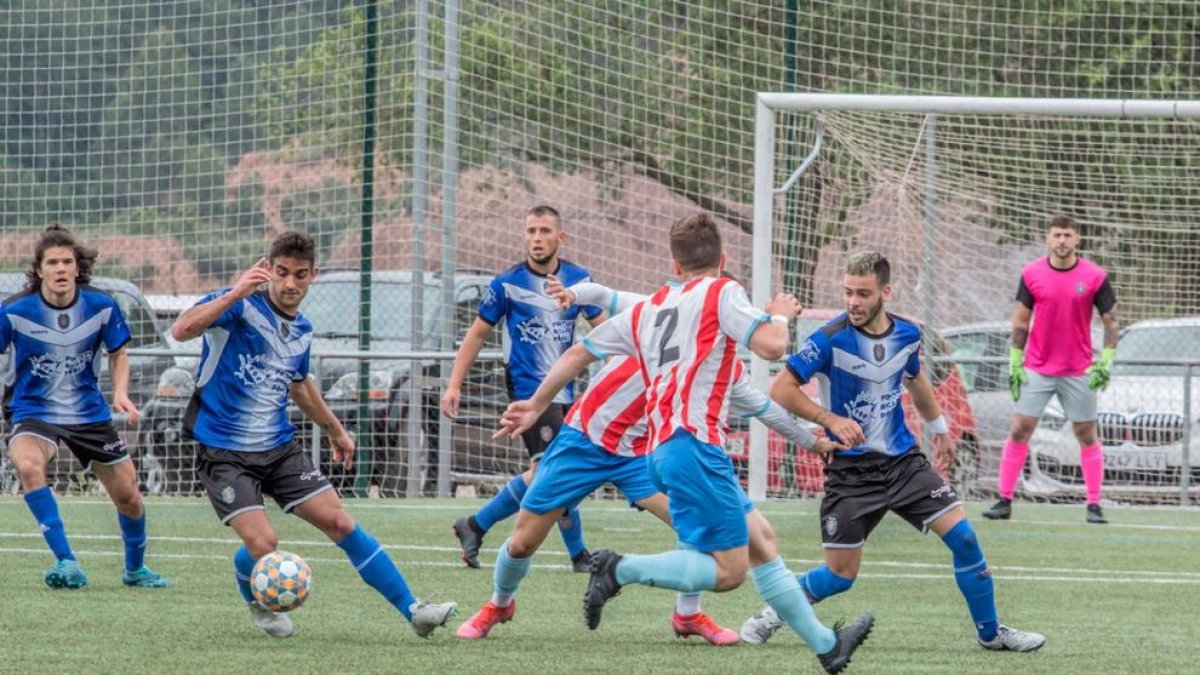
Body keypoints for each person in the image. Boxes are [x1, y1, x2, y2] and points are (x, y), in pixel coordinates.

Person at [498, 213, 873, 674]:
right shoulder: (722, 292)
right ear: (724, 260)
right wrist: (778, 311)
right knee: (730, 572)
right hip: (694, 446)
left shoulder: (650, 307)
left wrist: (536, 404)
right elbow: (774, 345)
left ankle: (826, 646)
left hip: (663, 450)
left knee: (762, 542)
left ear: (675, 266)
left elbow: (579, 351)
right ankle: (619, 569)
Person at [456, 278, 843, 645]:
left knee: (695, 528)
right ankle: (499, 604)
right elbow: (601, 295)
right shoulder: (656, 311)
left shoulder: (724, 366)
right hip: (585, 439)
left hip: (642, 454)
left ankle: (687, 615)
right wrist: (571, 295)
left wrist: (813, 442)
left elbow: (765, 409)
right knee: (523, 542)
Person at [739, 251, 1045, 654]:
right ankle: (772, 613)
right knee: (839, 576)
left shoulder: (907, 334)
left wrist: (939, 429)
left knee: (966, 541)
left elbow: (915, 379)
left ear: (885, 292)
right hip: (851, 475)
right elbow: (781, 390)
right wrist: (829, 420)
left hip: (904, 465)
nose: (853, 301)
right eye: (848, 292)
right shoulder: (829, 338)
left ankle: (991, 633)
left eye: (863, 293)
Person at [171, 231, 455, 639]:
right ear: (266, 268)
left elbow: (299, 385)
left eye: (300, 275)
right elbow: (182, 330)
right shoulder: (237, 306)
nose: (290, 284)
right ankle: (258, 602)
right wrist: (235, 293)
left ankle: (413, 610)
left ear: (313, 275)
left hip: (279, 448)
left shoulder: (301, 329)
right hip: (224, 451)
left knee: (340, 521)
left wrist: (336, 431)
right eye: (281, 273)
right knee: (264, 543)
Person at [0, 223, 169, 590]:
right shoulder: (14, 311)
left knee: (129, 495)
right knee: (28, 466)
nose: (60, 269)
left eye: (67, 262)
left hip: (89, 415)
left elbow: (118, 353)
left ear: (78, 268)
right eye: (52, 262)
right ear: (39, 269)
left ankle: (135, 569)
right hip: (34, 413)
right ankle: (66, 561)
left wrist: (121, 393)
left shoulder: (102, 305)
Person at [441, 205, 601, 571]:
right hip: (530, 394)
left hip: (567, 395)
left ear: (560, 237)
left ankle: (475, 525)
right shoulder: (506, 284)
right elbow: (476, 335)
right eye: (531, 231)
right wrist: (454, 385)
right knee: (553, 469)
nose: (536, 238)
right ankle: (576, 555)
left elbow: (605, 327)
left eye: (545, 231)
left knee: (560, 472)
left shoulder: (579, 280)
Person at [983, 214, 1118, 524]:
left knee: (1086, 433)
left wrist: (1106, 361)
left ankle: (1094, 505)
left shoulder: (1095, 276)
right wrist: (1015, 362)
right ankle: (1004, 500)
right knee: (1020, 428)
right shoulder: (1031, 274)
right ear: (1048, 238)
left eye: (1067, 236)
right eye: (1057, 235)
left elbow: (1112, 321)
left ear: (1076, 240)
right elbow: (1020, 321)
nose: (1062, 241)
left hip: (1079, 369)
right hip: (1037, 367)